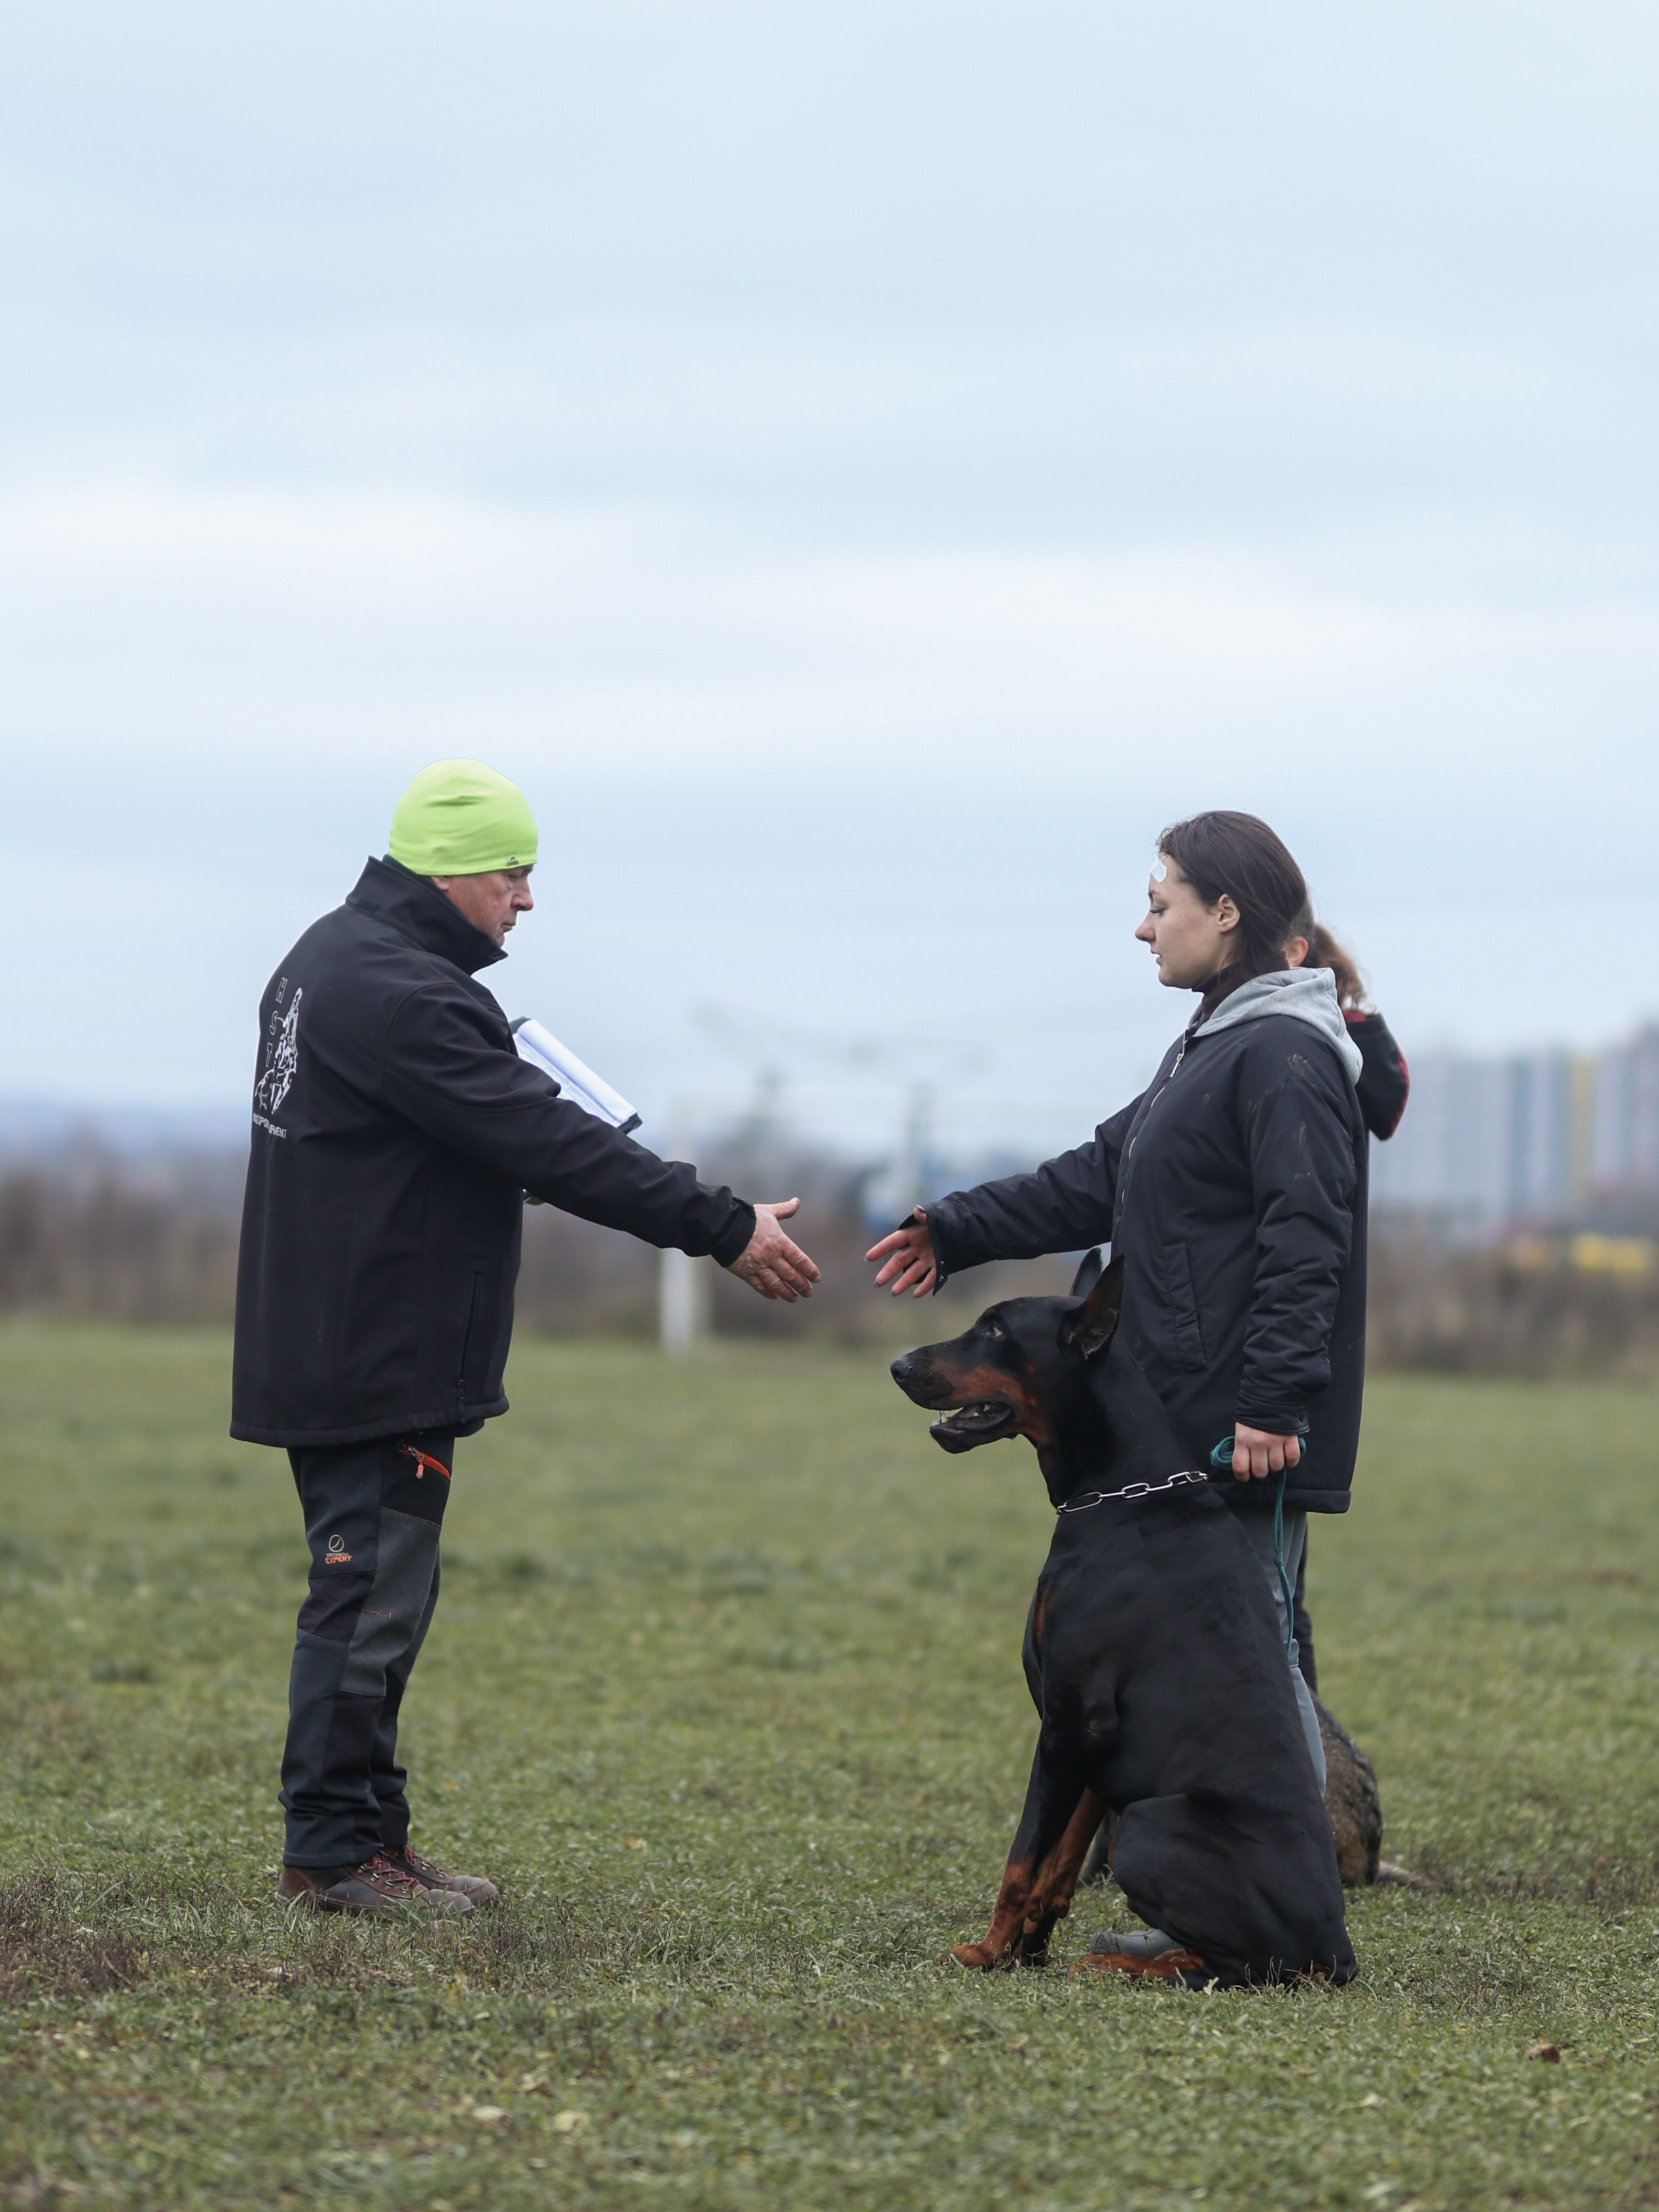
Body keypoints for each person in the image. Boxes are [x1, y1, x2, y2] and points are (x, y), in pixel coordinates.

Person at [233, 760, 820, 1917]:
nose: (527, 899)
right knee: (366, 1599)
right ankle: (333, 1858)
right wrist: (720, 1223)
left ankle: (373, 1840)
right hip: (378, 1345)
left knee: (384, 1594)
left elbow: (433, 1135)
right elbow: (553, 1141)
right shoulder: (407, 992)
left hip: (339, 1328)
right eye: (513, 873)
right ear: (450, 868)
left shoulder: (326, 957)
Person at [867, 810, 1370, 1805]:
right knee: (1206, 1648)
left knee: (1254, 1657)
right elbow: (1099, 1175)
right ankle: (1215, 1847)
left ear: (1225, 912)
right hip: (1178, 1402)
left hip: (1235, 1418)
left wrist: (1271, 1401)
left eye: (1158, 904)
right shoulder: (1213, 1047)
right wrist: (958, 1227)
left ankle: (1280, 1879)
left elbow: (1306, 1241)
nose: (1143, 929)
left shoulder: (1282, 1055)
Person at [1281, 911, 1409, 1690]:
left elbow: (1388, 1105)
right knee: (1276, 1595)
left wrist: (1341, 1014)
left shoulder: (1329, 1048)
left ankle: (1302, 1778)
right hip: (1300, 1356)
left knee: (1274, 1599)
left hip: (1288, 1356)